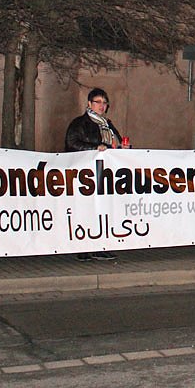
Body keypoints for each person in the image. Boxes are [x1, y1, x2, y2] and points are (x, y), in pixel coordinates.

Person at [65, 87, 123, 261]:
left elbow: (115, 143)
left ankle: (100, 246)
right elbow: (72, 143)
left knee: (103, 210)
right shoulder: (79, 123)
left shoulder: (107, 125)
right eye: (98, 102)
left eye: (105, 103)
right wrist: (94, 148)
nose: (102, 106)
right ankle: (83, 247)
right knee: (85, 210)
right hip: (85, 174)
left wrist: (121, 148)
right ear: (89, 103)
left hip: (105, 174)